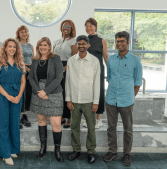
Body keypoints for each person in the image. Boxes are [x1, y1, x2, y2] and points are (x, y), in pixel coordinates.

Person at [103, 31, 142, 166]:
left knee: (128, 129)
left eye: (122, 41)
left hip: (126, 100)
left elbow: (137, 83)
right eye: (117, 41)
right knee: (111, 127)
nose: (119, 44)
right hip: (111, 99)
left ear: (128, 42)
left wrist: (130, 96)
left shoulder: (135, 60)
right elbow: (109, 78)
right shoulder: (111, 60)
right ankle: (112, 151)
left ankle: (127, 154)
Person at [65, 35, 100, 164]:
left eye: (83, 43)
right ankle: (76, 150)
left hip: (89, 100)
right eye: (79, 44)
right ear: (76, 45)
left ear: (88, 45)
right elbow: (68, 81)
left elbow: (97, 83)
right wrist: (68, 99)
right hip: (74, 100)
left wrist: (96, 102)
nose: (81, 46)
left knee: (91, 127)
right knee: (74, 126)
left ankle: (91, 152)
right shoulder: (71, 61)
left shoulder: (94, 61)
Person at [29, 37, 64, 162]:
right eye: (40, 45)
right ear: (38, 47)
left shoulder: (56, 58)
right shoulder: (35, 60)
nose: (42, 47)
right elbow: (31, 78)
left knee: (56, 124)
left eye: (45, 45)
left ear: (49, 46)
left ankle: (57, 150)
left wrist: (46, 91)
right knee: (41, 121)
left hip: (53, 93)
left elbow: (59, 77)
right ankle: (43, 147)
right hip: (38, 92)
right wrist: (40, 92)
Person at [0, 38, 26, 166]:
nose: (12, 49)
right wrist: (7, 95)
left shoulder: (20, 63)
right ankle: (5, 154)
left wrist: (18, 96)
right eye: (10, 46)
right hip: (2, 95)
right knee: (4, 124)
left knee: (14, 123)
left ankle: (13, 149)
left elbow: (23, 81)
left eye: (14, 47)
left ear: (17, 49)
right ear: (5, 48)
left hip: (17, 95)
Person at [83, 17, 109, 129]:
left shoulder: (101, 40)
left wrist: (111, 72)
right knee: (87, 94)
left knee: (99, 93)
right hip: (85, 71)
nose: (89, 28)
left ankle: (98, 119)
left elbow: (106, 56)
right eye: (87, 26)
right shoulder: (83, 40)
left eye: (91, 26)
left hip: (98, 70)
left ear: (95, 27)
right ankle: (89, 118)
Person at [53, 19, 78, 128]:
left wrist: (64, 69)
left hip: (68, 68)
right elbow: (52, 57)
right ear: (61, 27)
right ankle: (62, 116)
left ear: (72, 28)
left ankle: (69, 118)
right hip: (56, 68)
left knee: (67, 93)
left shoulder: (74, 41)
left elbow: (74, 58)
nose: (65, 28)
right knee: (59, 94)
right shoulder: (57, 41)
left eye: (68, 26)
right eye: (64, 26)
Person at [15, 25, 35, 129]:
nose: (24, 33)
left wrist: (32, 71)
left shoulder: (30, 45)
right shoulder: (17, 45)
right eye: (21, 32)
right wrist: (27, 70)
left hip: (30, 70)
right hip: (21, 70)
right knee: (20, 93)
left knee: (28, 93)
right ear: (18, 34)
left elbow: (33, 59)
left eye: (25, 31)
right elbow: (17, 59)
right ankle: (17, 116)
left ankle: (24, 115)